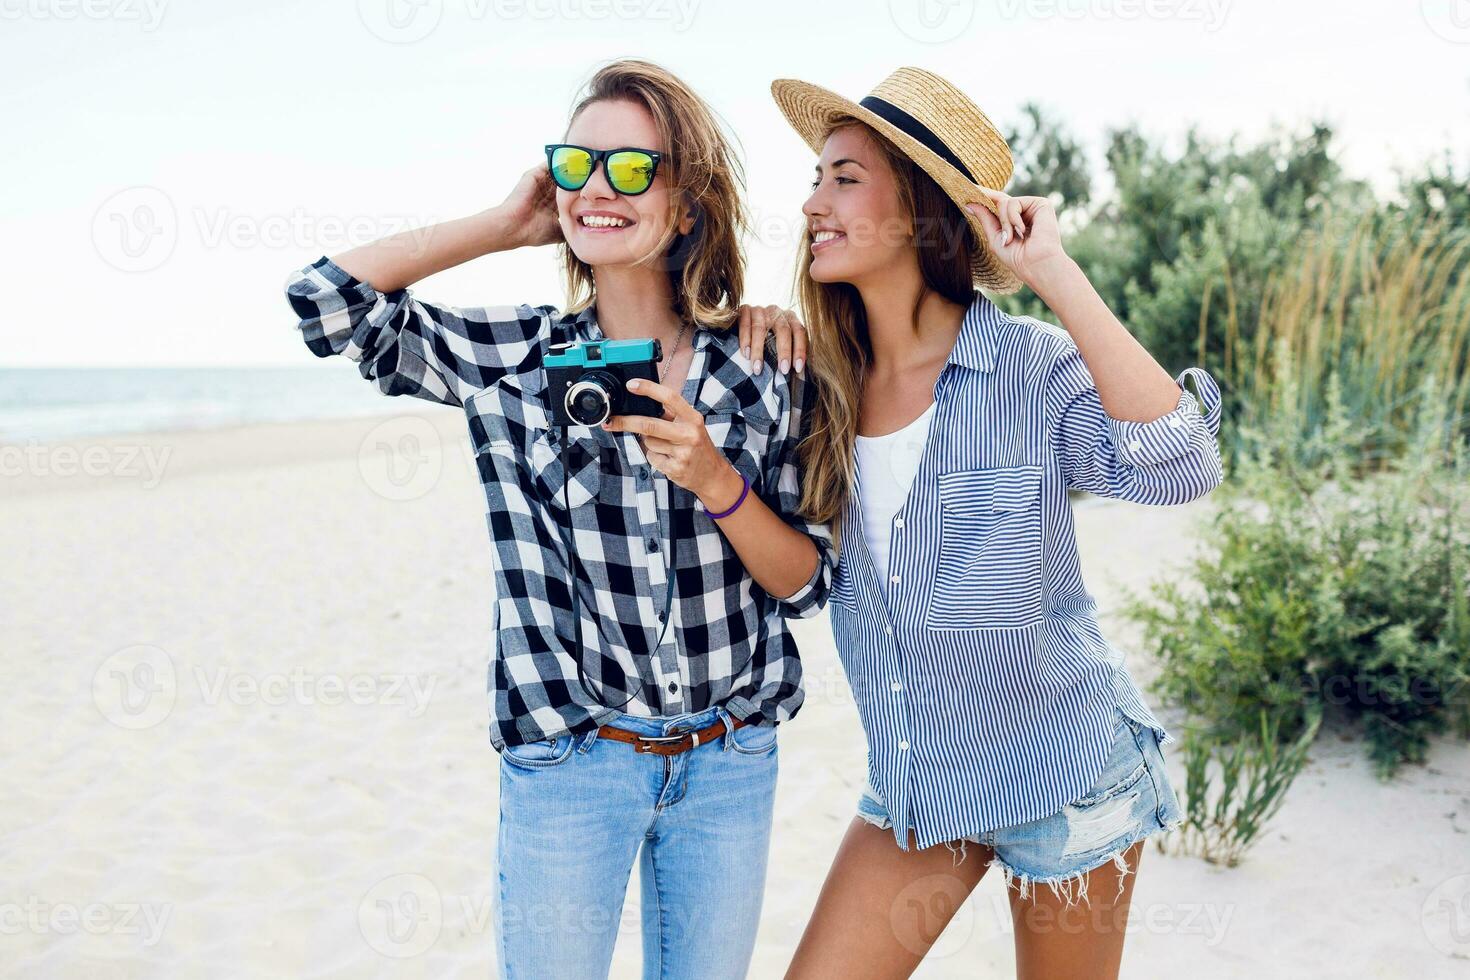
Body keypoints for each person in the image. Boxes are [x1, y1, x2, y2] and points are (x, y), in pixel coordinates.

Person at [283, 59, 831, 980]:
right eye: (575, 165)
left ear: (688, 203)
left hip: (731, 765)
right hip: (570, 768)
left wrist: (714, 478)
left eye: (631, 169)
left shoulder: (763, 364)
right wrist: (506, 225)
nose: (596, 188)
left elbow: (808, 583)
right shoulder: (514, 356)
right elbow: (323, 302)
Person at [770, 68, 1225, 979]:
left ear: (919, 209)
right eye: (816, 178)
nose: (814, 201)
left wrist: (1052, 272)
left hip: (1069, 779)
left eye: (844, 178)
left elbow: (1183, 467)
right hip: (923, 785)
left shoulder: (1026, 366)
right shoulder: (814, 384)